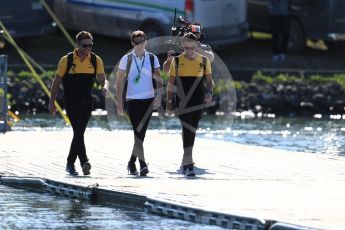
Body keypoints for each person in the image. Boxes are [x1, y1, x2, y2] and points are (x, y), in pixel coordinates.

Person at [48, 31, 108, 176]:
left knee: (79, 132)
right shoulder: (66, 60)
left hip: (87, 102)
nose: (88, 48)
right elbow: (56, 83)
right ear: (77, 45)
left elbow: (103, 78)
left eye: (90, 45)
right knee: (79, 129)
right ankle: (84, 162)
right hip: (71, 102)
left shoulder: (95, 60)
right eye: (85, 45)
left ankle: (69, 164)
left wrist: (104, 86)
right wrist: (52, 102)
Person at [166, 32, 214, 176]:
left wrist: (209, 93)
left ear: (196, 47)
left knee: (192, 129)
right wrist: (169, 102)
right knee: (186, 127)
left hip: (198, 99)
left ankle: (186, 159)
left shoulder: (204, 61)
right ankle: (189, 163)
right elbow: (171, 83)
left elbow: (210, 82)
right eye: (186, 48)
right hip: (181, 101)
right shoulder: (177, 61)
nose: (189, 51)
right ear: (182, 46)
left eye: (192, 48)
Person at [116, 30, 163, 176]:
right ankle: (142, 164)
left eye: (142, 41)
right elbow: (119, 82)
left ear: (146, 41)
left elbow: (159, 79)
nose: (140, 44)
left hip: (148, 100)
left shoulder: (152, 58)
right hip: (132, 100)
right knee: (138, 132)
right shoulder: (127, 59)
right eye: (137, 42)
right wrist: (119, 103)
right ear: (132, 43)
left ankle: (131, 163)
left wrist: (159, 97)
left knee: (141, 134)